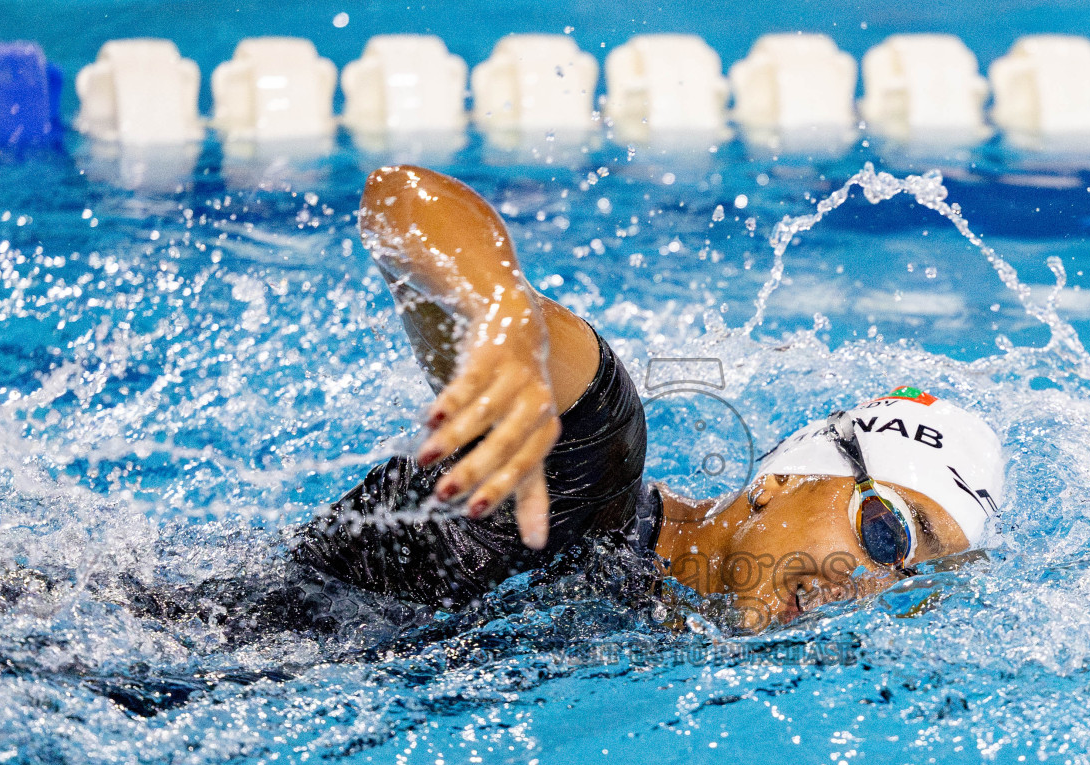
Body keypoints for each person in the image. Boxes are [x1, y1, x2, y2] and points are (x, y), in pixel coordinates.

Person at [291, 166, 1006, 632]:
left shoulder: (701, 637)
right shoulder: (583, 475)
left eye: (907, 588)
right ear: (779, 483)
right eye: (887, 534)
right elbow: (403, 200)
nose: (868, 587)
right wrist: (505, 321)